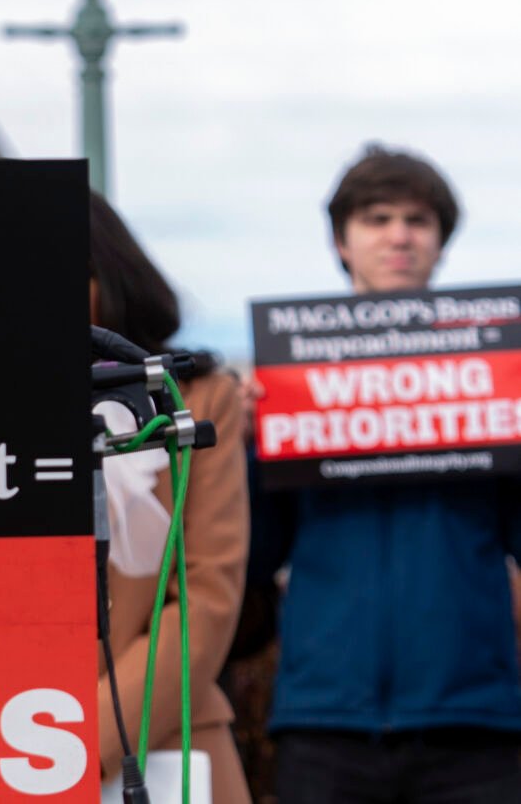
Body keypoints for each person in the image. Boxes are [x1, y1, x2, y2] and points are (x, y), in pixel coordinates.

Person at [264, 145, 521, 803]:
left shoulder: (492, 382)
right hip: (323, 724)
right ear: (341, 240)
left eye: (417, 219)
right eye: (376, 218)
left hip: (473, 724)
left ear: (440, 241)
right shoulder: (288, 383)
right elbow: (256, 551)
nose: (398, 235)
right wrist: (241, 448)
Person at [90, 191, 251, 804]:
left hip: (160, 736)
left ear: (110, 273)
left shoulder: (202, 396)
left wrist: (68, 742)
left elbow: (206, 596)